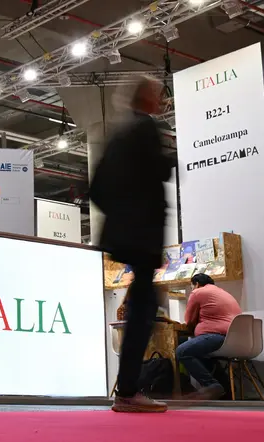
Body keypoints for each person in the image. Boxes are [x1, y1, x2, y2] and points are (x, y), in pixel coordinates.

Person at [89, 76, 173, 413]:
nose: (161, 99)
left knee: (143, 303)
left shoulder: (117, 135)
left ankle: (127, 388)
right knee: (144, 308)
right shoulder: (149, 129)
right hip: (143, 235)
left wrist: (119, 218)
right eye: (157, 94)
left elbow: (95, 189)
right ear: (147, 99)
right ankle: (128, 390)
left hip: (125, 234)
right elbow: (159, 173)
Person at [176, 274, 241, 399]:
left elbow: (188, 320)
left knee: (182, 351)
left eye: (192, 287)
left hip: (216, 336)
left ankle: (211, 385)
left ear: (196, 284)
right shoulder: (224, 293)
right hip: (234, 339)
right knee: (201, 354)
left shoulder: (198, 292)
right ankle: (225, 390)